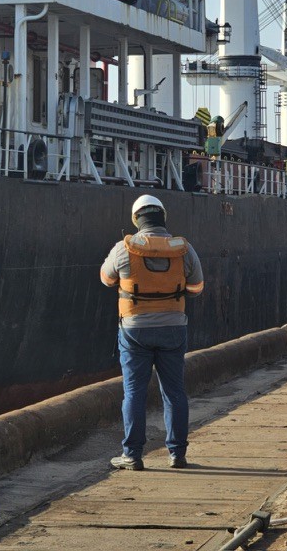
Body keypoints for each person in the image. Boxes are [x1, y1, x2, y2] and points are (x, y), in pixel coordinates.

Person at [100, 194, 204, 471]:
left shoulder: (125, 249)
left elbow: (106, 278)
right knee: (174, 392)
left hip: (135, 331)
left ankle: (132, 455)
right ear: (163, 217)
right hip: (173, 328)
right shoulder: (184, 249)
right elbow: (197, 287)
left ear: (136, 220)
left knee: (133, 392)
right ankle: (177, 454)